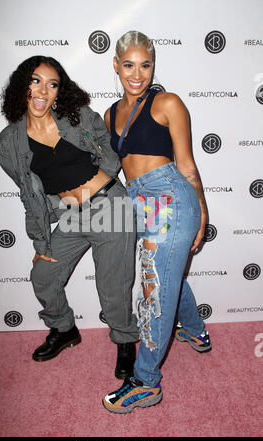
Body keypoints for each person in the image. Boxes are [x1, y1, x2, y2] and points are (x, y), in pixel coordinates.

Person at [0, 55, 139, 379]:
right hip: (71, 217)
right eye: (35, 80)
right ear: (22, 85)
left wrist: (100, 180)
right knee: (43, 277)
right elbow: (29, 193)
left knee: (113, 287)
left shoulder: (77, 117)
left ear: (59, 91)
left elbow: (110, 147)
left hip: (109, 206)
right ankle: (64, 330)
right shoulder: (8, 143)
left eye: (52, 84)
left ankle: (126, 342)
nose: (42, 90)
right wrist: (41, 241)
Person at [102, 31, 212, 413]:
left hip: (169, 197)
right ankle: (196, 332)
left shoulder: (167, 102)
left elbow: (186, 165)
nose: (137, 73)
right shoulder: (110, 113)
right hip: (139, 201)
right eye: (129, 64)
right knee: (165, 276)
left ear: (153, 66)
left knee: (153, 289)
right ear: (116, 65)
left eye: (145, 65)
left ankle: (147, 383)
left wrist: (202, 212)